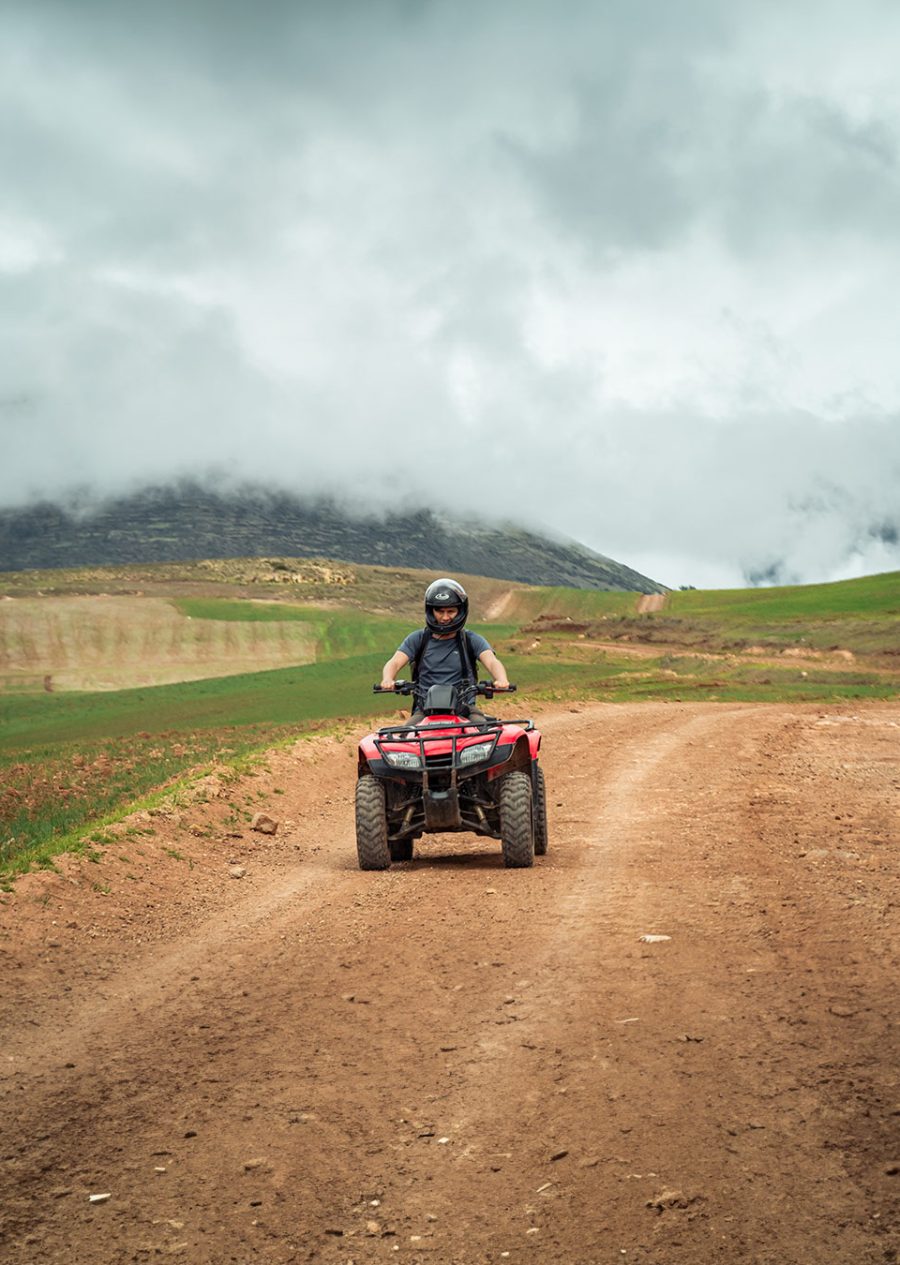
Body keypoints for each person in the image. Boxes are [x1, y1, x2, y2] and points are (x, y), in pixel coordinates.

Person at [380, 577, 510, 724]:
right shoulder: (417, 639)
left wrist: (501, 679)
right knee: (405, 738)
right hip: (424, 711)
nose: (445, 617)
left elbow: (491, 661)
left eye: (451, 611)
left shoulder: (470, 639)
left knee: (482, 733)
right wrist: (388, 679)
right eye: (440, 611)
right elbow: (395, 662)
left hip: (464, 709)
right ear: (431, 611)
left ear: (460, 611)